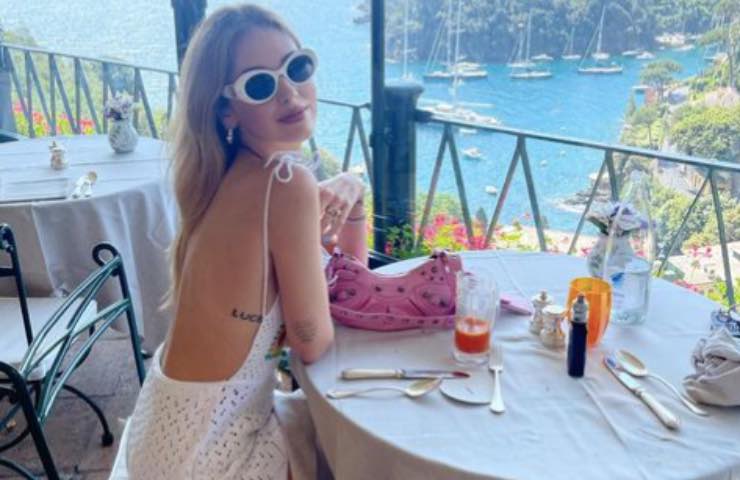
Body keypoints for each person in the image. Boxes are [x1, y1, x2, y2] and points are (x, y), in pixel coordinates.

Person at [124, 4, 367, 479]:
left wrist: (353, 193)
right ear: (226, 109)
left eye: (297, 67)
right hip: (209, 455)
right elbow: (313, 342)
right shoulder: (284, 184)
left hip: (163, 433)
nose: (290, 93)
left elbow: (346, 280)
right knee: (360, 451)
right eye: (260, 85)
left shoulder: (226, 177)